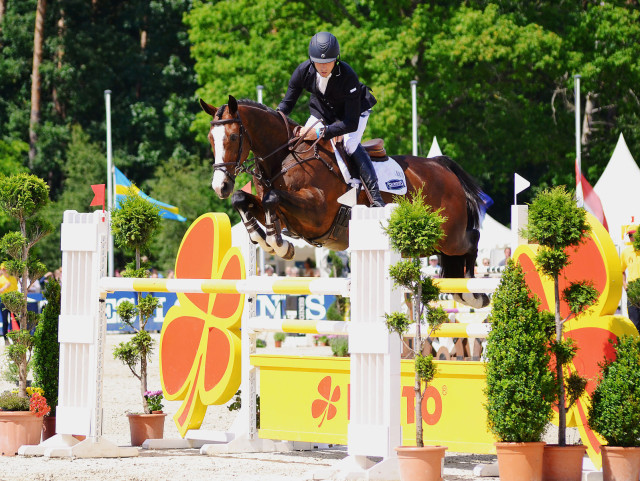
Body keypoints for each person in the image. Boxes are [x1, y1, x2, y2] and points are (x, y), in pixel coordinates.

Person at [277, 31, 385, 207]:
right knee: (302, 141)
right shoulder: (303, 72)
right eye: (319, 62)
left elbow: (350, 123)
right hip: (324, 113)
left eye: (328, 62)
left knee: (349, 145)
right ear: (312, 60)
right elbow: (287, 104)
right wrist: (276, 117)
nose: (324, 67)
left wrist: (325, 131)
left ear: (336, 59)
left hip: (354, 113)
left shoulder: (348, 76)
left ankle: (376, 198)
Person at [621, 225, 640, 330]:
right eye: (629, 235)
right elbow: (621, 270)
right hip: (632, 288)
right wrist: (625, 284)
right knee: (634, 321)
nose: (631, 238)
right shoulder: (626, 252)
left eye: (633, 235)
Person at [0, 263, 18, 342]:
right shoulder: (1, 279)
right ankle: (5, 338)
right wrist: (4, 287)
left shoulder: (13, 279)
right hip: (3, 301)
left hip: (13, 301)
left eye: (7, 269)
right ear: (1, 270)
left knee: (14, 319)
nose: (5, 271)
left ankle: (15, 337)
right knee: (5, 320)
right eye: (4, 269)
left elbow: (16, 290)